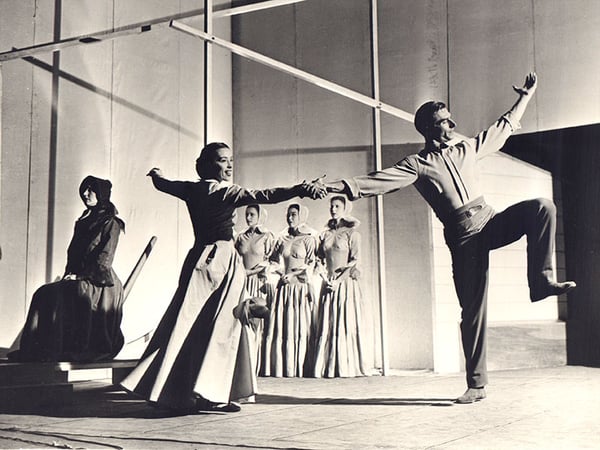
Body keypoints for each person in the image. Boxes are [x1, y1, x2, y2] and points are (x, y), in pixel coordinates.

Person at [320, 72, 576, 403]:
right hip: (464, 240)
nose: (450, 124)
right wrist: (329, 187)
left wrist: (525, 97)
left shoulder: (467, 147)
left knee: (542, 206)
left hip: (490, 220)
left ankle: (540, 282)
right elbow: (374, 181)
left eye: (449, 119)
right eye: (442, 121)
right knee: (472, 311)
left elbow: (502, 127)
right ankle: (477, 384)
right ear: (428, 128)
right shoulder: (417, 163)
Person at [120, 142, 326, 413]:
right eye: (222, 160)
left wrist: (156, 174)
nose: (229, 165)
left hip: (198, 260)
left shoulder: (192, 189)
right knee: (221, 327)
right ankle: (205, 394)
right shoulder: (226, 192)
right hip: (221, 260)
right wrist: (301, 188)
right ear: (208, 165)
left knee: (189, 324)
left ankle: (191, 393)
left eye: (230, 160)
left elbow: (164, 184)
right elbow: (267, 194)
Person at [9, 175, 126, 362]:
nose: (86, 193)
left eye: (91, 190)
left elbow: (105, 260)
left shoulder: (111, 223)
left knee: (73, 292)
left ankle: (66, 348)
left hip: (100, 283)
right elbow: (73, 256)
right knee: (43, 293)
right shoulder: (83, 222)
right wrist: (70, 275)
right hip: (78, 277)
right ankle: (40, 349)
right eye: (85, 189)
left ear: (101, 194)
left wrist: (80, 277)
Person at [261, 203, 317, 377]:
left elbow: (311, 264)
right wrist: (280, 272)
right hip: (284, 287)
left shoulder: (308, 239)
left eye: (294, 214)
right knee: (283, 326)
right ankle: (283, 366)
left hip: (299, 288)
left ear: (301, 216)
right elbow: (273, 261)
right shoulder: (282, 239)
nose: (290, 217)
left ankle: (301, 367)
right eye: (288, 214)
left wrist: (294, 276)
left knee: (299, 325)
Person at [313, 195, 366, 378]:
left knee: (343, 321)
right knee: (328, 322)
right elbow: (318, 260)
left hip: (344, 285)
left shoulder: (353, 234)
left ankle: (345, 366)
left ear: (345, 209)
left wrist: (338, 280)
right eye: (331, 206)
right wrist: (325, 278)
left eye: (337, 206)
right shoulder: (325, 235)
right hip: (328, 284)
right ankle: (327, 366)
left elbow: (355, 261)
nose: (333, 209)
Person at [234, 204, 276, 376]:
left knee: (258, 323)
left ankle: (257, 366)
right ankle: (245, 366)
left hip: (259, 283)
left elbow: (273, 261)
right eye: (247, 214)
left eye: (252, 214)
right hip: (243, 283)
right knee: (243, 323)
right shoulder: (241, 238)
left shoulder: (267, 237)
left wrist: (261, 272)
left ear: (260, 216)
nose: (249, 217)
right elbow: (236, 260)